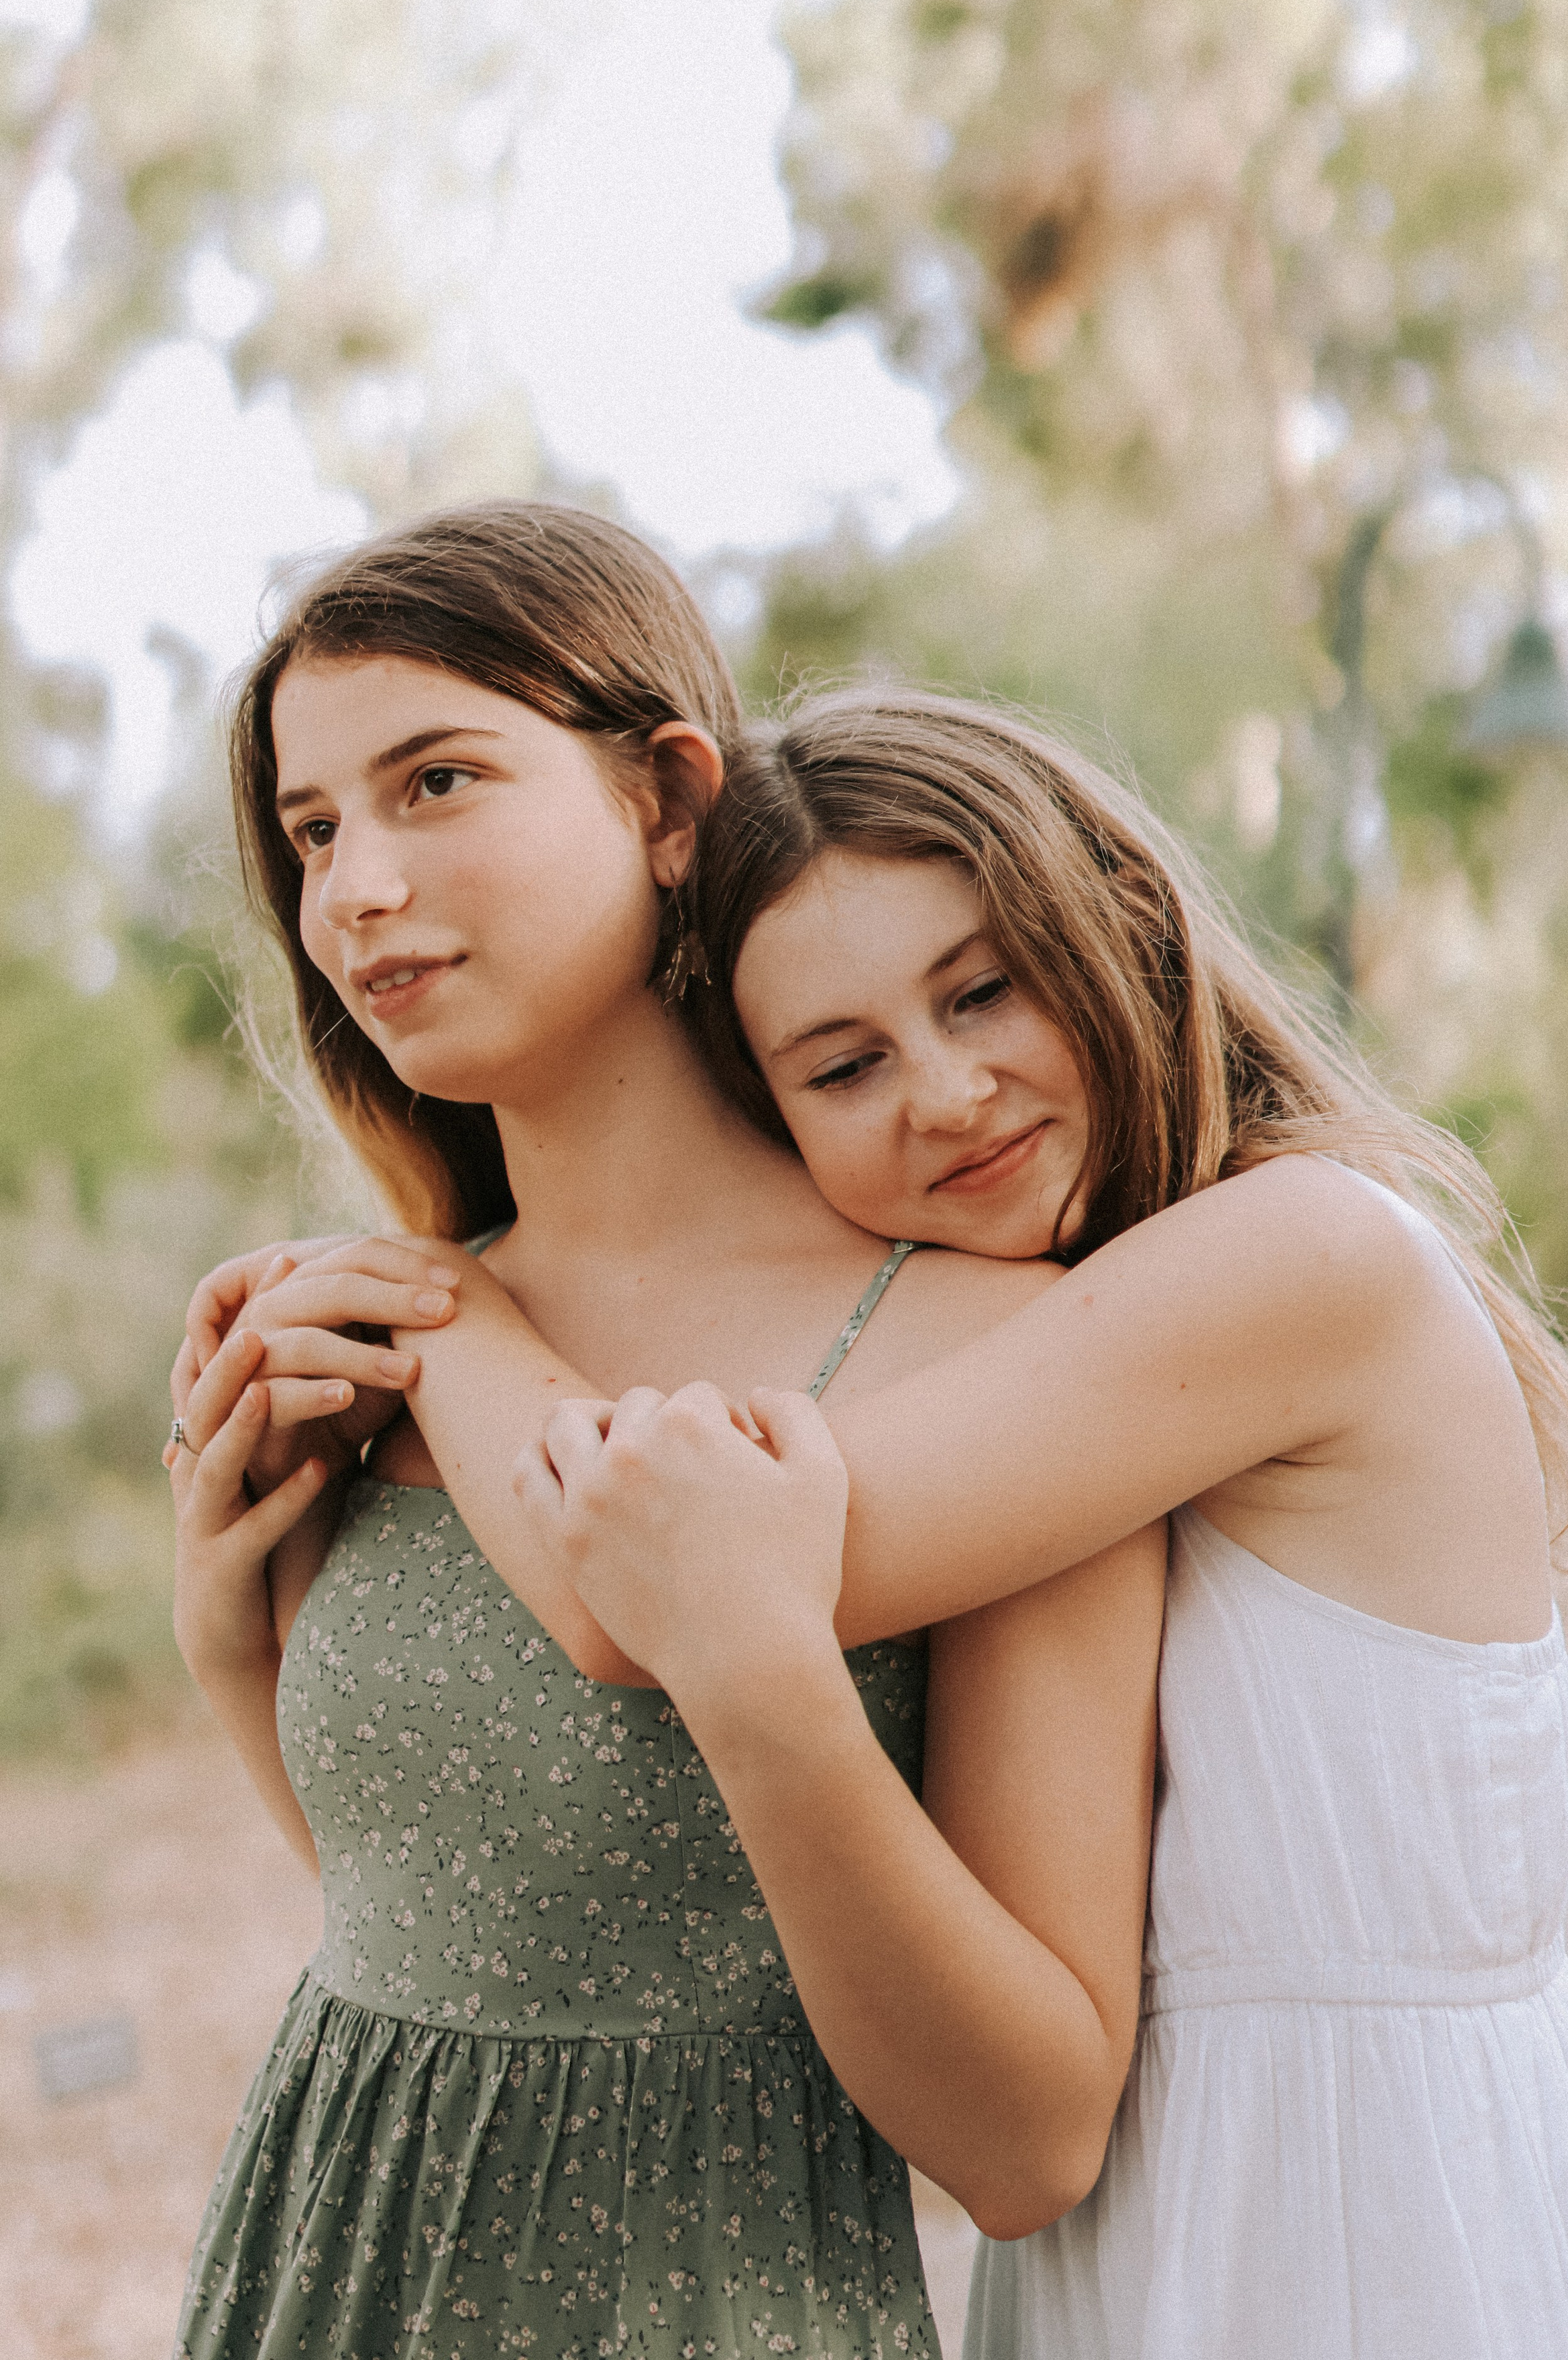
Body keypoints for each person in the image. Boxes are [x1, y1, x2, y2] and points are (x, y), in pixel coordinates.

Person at [197, 685, 1568, 2359]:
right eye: (841, 1067)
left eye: (980, 991)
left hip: (1388, 2216)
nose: (942, 1091)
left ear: (1116, 924)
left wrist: (439, 1317)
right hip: (1133, 2240)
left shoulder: (1302, 1257)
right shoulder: (1076, 1334)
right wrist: (238, 1641)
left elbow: (667, 1585)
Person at [164, 504, 1164, 2360]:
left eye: (434, 782)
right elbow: (447, 1927)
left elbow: (1026, 2143)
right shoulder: (381, 1346)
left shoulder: (990, 1350)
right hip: (312, 2287)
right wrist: (230, 1638)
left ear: (669, 800)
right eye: (312, 834)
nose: (356, 888)